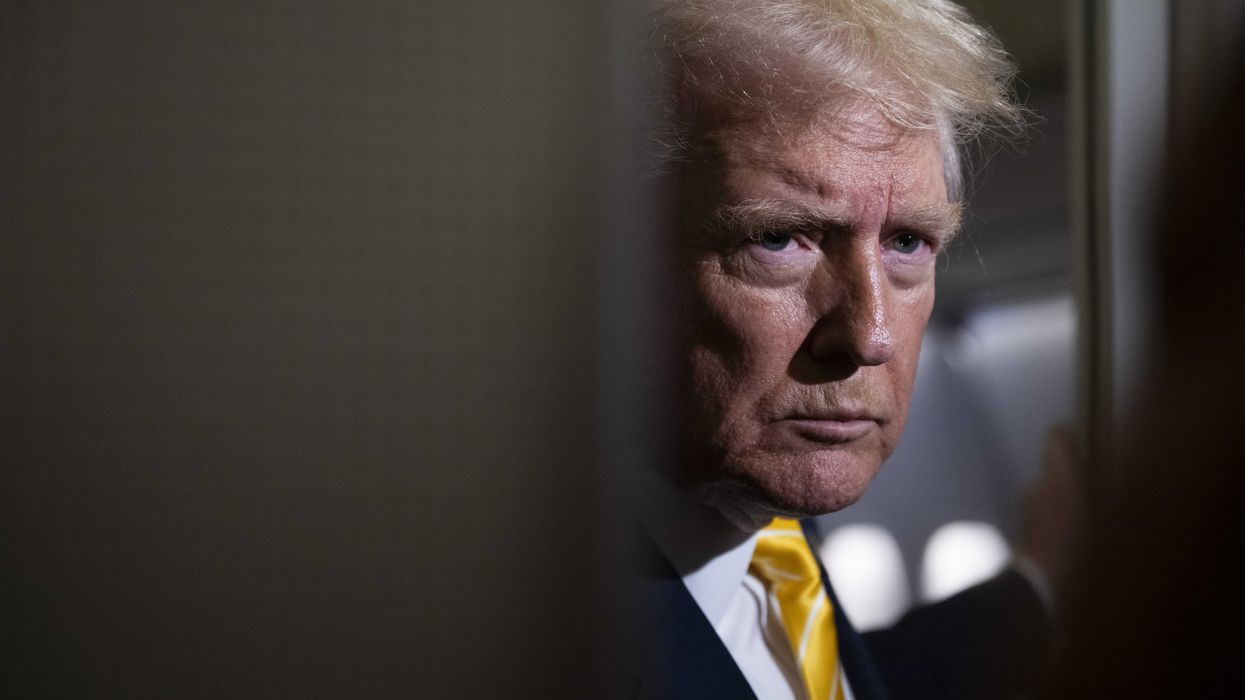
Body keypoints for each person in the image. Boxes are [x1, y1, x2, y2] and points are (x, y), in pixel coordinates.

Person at [622, 1, 1061, 698]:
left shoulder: (769, 528)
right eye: (777, 240)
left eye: (907, 242)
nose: (870, 334)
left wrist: (1042, 577)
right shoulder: (505, 627)